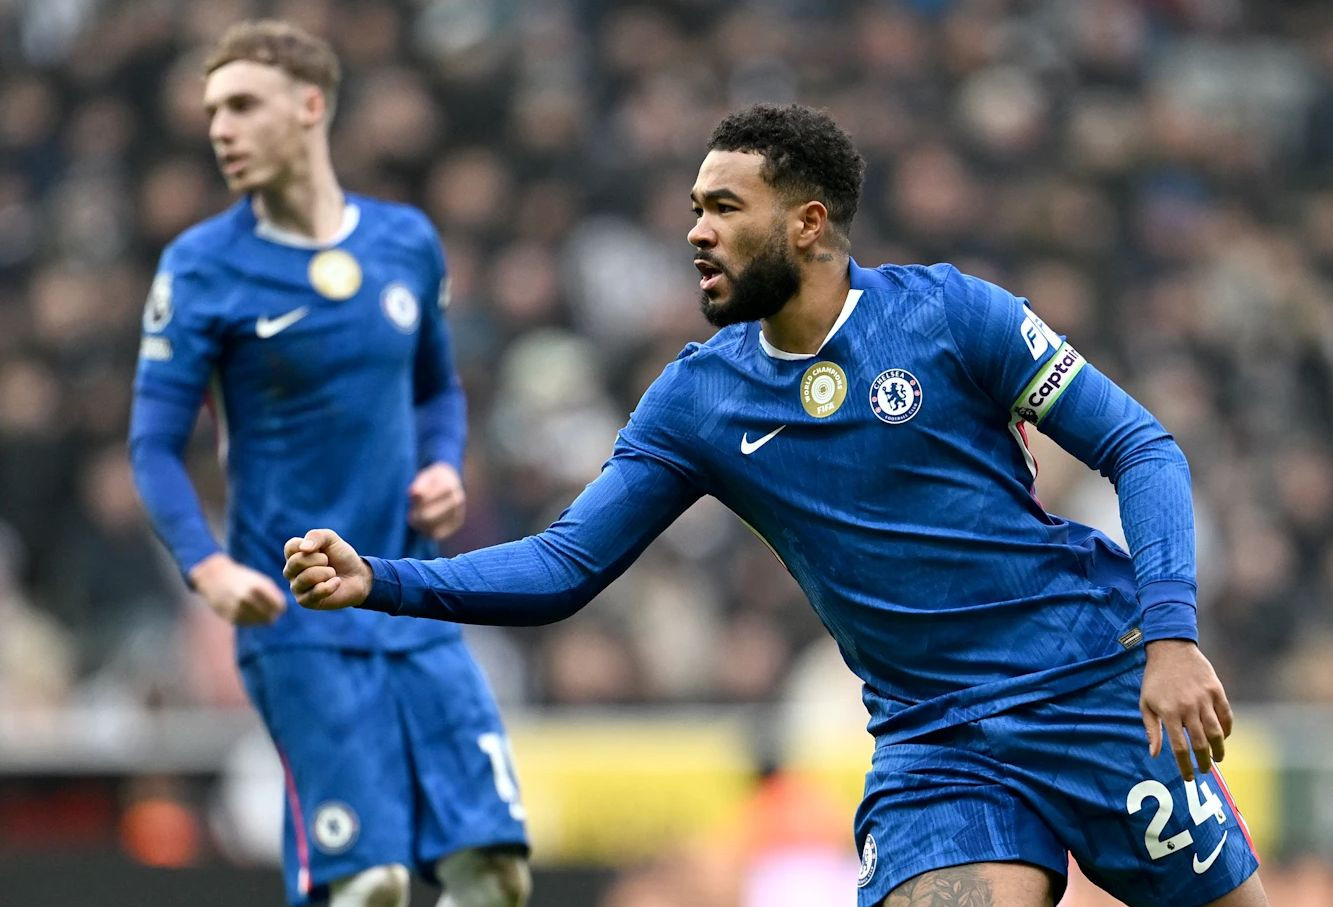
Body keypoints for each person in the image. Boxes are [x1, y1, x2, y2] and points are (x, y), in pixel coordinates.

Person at [284, 103, 1267, 907]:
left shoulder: (950, 314)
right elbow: (563, 565)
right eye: (694, 209)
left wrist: (1172, 636)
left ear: (806, 223)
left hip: (1087, 685)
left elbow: (1141, 446)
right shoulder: (699, 400)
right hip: (936, 744)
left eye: (723, 207)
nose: (695, 231)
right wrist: (384, 579)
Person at [128, 20, 529, 907]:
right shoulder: (201, 268)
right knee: (369, 882)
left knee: (495, 872)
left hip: (411, 591)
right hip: (297, 612)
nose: (220, 129)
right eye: (212, 112)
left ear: (310, 106)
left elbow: (437, 388)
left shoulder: (405, 242)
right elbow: (152, 444)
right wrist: (207, 566)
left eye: (243, 105)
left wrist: (444, 465)